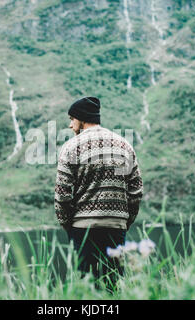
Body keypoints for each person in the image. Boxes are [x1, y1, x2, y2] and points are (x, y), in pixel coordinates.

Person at [54, 96, 143, 292]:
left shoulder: (71, 147)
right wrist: (123, 222)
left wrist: (68, 226)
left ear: (82, 119)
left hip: (83, 228)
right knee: (113, 286)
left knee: (88, 289)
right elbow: (136, 191)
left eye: (72, 119)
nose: (70, 125)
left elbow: (62, 196)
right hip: (115, 227)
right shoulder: (124, 145)